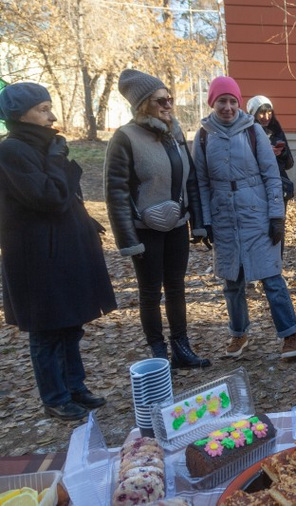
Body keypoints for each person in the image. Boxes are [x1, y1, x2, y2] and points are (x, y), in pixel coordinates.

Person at [0, 82, 117, 420]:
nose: (51, 116)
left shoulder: (44, 145)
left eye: (49, 107)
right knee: (47, 328)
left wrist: (84, 222)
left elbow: (65, 196)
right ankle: (54, 396)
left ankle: (75, 387)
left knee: (70, 322)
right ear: (20, 115)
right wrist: (55, 160)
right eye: (43, 109)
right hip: (36, 257)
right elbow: (48, 197)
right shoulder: (13, 151)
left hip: (62, 248)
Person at [105, 69, 210, 369]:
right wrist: (128, 240)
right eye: (159, 100)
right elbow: (116, 192)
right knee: (150, 292)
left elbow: (191, 181)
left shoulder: (175, 133)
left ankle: (181, 347)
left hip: (176, 226)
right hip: (145, 231)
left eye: (170, 98)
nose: (168, 105)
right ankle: (158, 352)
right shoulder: (125, 138)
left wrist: (197, 222)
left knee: (176, 287)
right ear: (142, 105)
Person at [193, 76, 296, 359]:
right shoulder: (204, 135)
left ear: (239, 103)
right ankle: (238, 333)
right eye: (222, 101)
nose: (227, 107)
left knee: (271, 277)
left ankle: (290, 333)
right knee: (232, 281)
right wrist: (205, 222)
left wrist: (276, 215)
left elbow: (271, 175)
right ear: (212, 103)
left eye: (232, 101)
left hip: (256, 213)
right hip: (223, 216)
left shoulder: (253, 131)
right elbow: (201, 182)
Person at [246, 95, 294, 257]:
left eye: (269, 112)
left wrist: (281, 153)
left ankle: (276, 263)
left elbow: (289, 163)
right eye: (261, 113)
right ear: (253, 113)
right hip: (256, 189)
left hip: (278, 189)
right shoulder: (247, 132)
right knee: (257, 228)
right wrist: (265, 154)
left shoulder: (276, 129)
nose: (266, 117)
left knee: (278, 228)